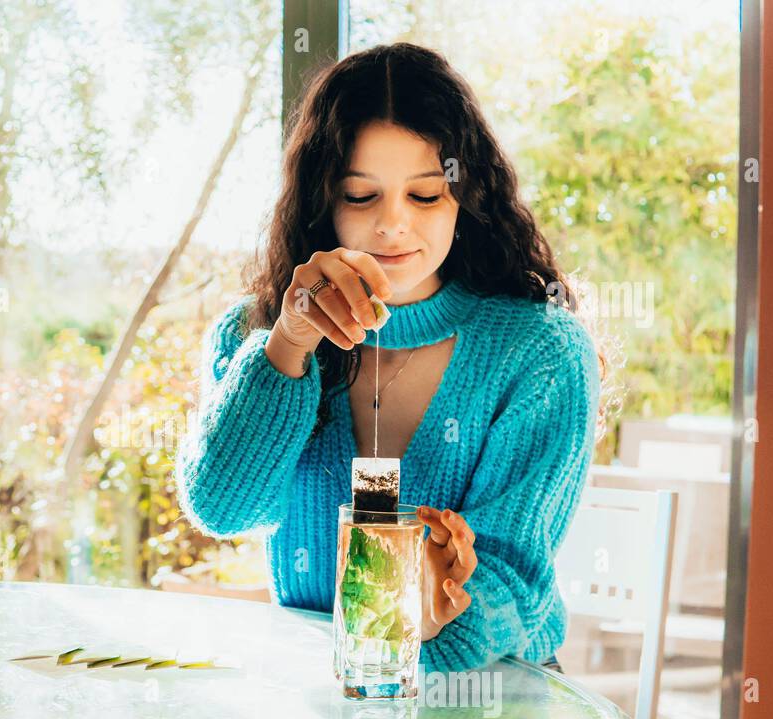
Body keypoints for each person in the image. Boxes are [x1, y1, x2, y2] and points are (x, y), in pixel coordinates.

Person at [174, 43, 604, 673]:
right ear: (323, 203)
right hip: (323, 690)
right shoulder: (258, 331)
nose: (394, 225)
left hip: (488, 694)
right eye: (359, 195)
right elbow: (225, 506)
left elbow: (516, 574)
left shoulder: (539, 351)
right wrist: (290, 343)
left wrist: (438, 609)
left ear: (468, 195)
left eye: (426, 196)